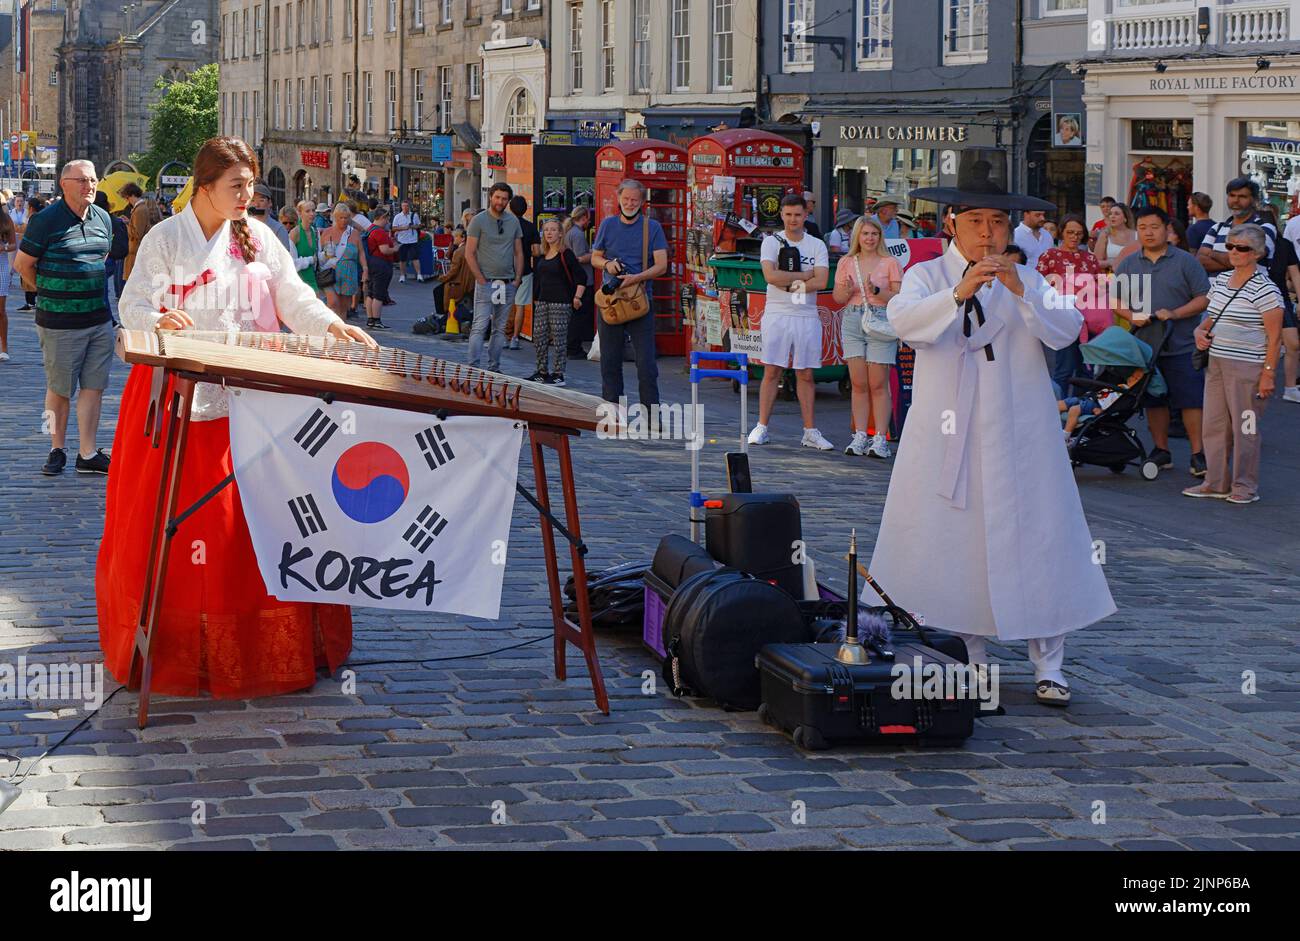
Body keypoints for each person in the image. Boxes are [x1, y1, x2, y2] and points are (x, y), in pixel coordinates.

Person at [98, 135, 376, 701]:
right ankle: (179, 646)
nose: (249, 194)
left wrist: (329, 327)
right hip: (178, 404)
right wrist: (159, 320)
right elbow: (132, 306)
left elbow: (293, 296)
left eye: (251, 184)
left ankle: (263, 642)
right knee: (189, 532)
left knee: (258, 526)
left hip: (249, 400)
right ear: (204, 187)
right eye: (237, 186)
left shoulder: (259, 238)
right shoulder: (164, 239)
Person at [872, 167, 1115, 707]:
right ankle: (971, 657)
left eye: (998, 222)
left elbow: (1067, 327)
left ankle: (1049, 663)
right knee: (957, 540)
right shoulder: (928, 274)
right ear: (953, 223)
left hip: (1022, 427)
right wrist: (959, 292)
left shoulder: (1028, 278)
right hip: (949, 427)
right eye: (976, 221)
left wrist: (1019, 286)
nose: (987, 233)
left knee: (1042, 534)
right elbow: (904, 323)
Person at [13, 160, 115, 476]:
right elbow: (22, 265)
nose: (90, 186)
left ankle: (87, 452)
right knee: (58, 390)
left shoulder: (103, 219)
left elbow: (102, 258)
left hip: (98, 319)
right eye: (82, 180)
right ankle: (55, 447)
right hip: (59, 323)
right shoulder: (46, 220)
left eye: (93, 180)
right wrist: (48, 293)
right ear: (64, 184)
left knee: (93, 388)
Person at [1184, 224, 1283, 504]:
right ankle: (1215, 482)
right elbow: (1210, 318)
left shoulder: (1266, 290)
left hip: (1249, 368)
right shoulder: (1222, 281)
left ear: (1257, 254)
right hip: (1216, 363)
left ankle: (1244, 486)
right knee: (1214, 424)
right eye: (1230, 246)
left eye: (1242, 248)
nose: (1234, 252)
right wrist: (1199, 332)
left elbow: (1275, 338)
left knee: (1246, 428)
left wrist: (1268, 375)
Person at [1114, 206, 1211, 476]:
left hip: (1182, 344)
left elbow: (1204, 297)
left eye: (1154, 227)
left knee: (1191, 400)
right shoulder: (1130, 263)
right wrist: (1132, 315)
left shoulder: (1185, 261)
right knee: (1154, 400)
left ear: (1167, 229)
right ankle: (1161, 450)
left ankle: (1198, 453)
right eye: (1143, 227)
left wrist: (1176, 313)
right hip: (1146, 346)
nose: (1148, 232)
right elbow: (1113, 300)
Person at [746, 194, 833, 450]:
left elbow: (822, 281)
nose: (793, 219)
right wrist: (805, 275)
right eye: (788, 215)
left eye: (798, 214)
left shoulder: (817, 245)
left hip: (806, 314)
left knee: (805, 373)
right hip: (777, 312)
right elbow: (770, 276)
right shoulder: (771, 242)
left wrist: (791, 281)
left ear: (805, 215)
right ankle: (762, 426)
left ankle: (810, 431)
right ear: (782, 215)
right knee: (772, 370)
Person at [590, 178, 668, 409]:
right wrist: (608, 265)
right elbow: (595, 257)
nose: (630, 203)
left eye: (635, 200)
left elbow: (662, 265)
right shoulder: (607, 225)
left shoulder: (651, 227)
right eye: (626, 199)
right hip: (611, 302)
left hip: (640, 301)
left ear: (642, 201)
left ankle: (651, 414)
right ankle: (613, 413)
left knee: (646, 365)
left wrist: (637, 277)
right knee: (610, 362)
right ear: (618, 198)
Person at [831, 215, 902, 458]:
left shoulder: (890, 262)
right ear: (857, 237)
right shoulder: (847, 262)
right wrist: (848, 290)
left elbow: (899, 298)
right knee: (858, 383)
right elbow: (838, 298)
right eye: (865, 234)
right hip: (852, 319)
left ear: (880, 237)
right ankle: (860, 434)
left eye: (874, 234)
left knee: (878, 383)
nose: (870, 238)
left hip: (880, 319)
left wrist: (877, 291)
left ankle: (880, 438)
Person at [1037, 215, 1104, 393]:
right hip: (1062, 318)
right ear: (1062, 233)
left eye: (1079, 233)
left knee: (1086, 368)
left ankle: (1082, 412)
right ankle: (1059, 412)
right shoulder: (1049, 256)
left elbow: (1100, 285)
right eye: (1070, 232)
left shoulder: (1090, 259)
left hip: (1087, 319)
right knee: (1064, 368)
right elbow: (1039, 286)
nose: (1074, 237)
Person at [465, 182, 524, 373]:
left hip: (507, 282)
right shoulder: (478, 220)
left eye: (504, 199)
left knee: (499, 329)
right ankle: (473, 367)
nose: (500, 202)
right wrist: (481, 279)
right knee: (480, 326)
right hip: (486, 281)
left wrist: (517, 279)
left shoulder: (513, 221)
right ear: (491, 197)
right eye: (497, 197)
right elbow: (469, 252)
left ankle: (494, 367)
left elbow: (518, 252)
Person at [530, 217, 585, 386]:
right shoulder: (542, 254)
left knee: (559, 340)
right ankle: (541, 371)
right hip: (542, 302)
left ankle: (558, 374)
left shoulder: (565, 254)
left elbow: (581, 276)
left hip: (561, 303)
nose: (549, 233)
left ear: (561, 233)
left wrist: (577, 297)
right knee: (539, 338)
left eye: (553, 229)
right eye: (546, 230)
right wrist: (536, 299)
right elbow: (539, 279)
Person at [1198, 177, 1276, 275]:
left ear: (1254, 200)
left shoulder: (1265, 228)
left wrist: (1211, 253)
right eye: (1232, 195)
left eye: (1242, 196)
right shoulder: (1217, 228)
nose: (1235, 200)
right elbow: (1201, 261)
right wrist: (1236, 261)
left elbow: (1247, 259)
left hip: (1251, 289)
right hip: (1216, 289)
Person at [319, 202, 367, 324]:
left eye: (346, 217)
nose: (344, 220)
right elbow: (319, 253)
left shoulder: (354, 233)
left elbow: (361, 253)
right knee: (332, 304)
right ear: (335, 217)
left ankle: (341, 331)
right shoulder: (326, 232)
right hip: (331, 273)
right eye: (341, 217)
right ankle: (329, 329)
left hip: (349, 273)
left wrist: (365, 269)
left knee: (343, 308)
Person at [504, 195, 541, 350]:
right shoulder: (531, 227)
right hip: (525, 270)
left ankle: (503, 337)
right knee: (520, 306)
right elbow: (537, 251)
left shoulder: (504, 225)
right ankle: (515, 338)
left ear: (510, 208)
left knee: (504, 305)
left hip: (504, 271)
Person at [563, 205, 596, 357]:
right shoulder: (578, 235)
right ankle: (574, 347)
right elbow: (579, 258)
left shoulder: (570, 232)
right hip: (583, 280)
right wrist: (596, 254)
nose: (589, 221)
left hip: (574, 280)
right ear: (583, 218)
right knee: (579, 315)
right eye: (588, 218)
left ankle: (572, 346)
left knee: (575, 314)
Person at [121, 182, 163, 283]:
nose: (127, 201)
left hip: (136, 251)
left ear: (131, 195)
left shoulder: (140, 209)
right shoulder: (139, 208)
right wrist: (128, 222)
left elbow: (137, 234)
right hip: (136, 251)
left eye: (127, 198)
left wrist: (126, 225)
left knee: (134, 282)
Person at [363, 207, 397, 329]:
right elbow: (385, 250)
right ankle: (376, 320)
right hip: (381, 264)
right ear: (382, 218)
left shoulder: (370, 229)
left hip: (371, 263)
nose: (388, 222)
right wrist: (396, 249)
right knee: (379, 293)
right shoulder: (380, 232)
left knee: (370, 293)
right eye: (387, 219)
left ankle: (370, 319)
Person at [432, 226, 472, 323]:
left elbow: (453, 271)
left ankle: (444, 316)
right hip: (467, 281)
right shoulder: (466, 248)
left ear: (462, 238)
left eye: (455, 237)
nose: (453, 239)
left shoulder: (459, 252)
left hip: (459, 282)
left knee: (438, 291)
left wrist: (443, 278)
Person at [249, 182, 292, 252]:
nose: (256, 205)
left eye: (261, 200)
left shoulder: (278, 229)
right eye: (252, 200)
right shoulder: (245, 226)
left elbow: (284, 258)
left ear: (270, 203)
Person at [1093, 202, 1136, 271]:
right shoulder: (1105, 235)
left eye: (1116, 214)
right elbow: (1095, 262)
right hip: (1111, 276)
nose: (1112, 216)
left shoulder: (1137, 235)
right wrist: (1110, 262)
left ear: (1125, 218)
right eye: (1110, 214)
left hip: (1135, 276)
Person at [288, 202, 320, 292]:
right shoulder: (295, 233)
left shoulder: (315, 231)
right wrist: (311, 259)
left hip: (313, 278)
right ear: (300, 213)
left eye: (313, 210)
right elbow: (291, 264)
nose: (312, 214)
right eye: (307, 211)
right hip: (299, 281)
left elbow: (318, 256)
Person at [392, 199, 426, 283]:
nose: (405, 207)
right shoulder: (397, 217)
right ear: (401, 207)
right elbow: (393, 228)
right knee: (402, 259)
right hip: (402, 240)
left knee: (415, 257)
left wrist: (414, 226)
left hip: (412, 239)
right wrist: (404, 228)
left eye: (406, 206)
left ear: (409, 206)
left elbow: (419, 225)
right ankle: (402, 275)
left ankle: (419, 275)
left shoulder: (414, 215)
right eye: (403, 206)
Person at [0, 203, 13, 363]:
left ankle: (4, 346)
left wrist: (3, 247)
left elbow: (14, 245)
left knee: (1, 310)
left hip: (1, 266)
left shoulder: (5, 220)